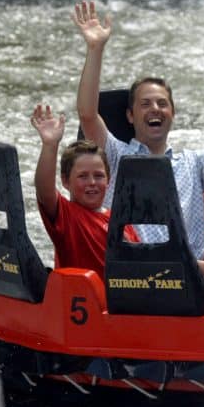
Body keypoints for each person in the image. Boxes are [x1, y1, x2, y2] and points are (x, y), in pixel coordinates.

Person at [70, 0, 204, 306]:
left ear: (172, 113)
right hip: (136, 280)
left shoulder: (193, 164)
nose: (154, 109)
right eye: (145, 104)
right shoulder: (115, 158)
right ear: (130, 116)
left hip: (192, 278)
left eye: (161, 103)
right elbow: (88, 115)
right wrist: (95, 49)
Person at [30, 103, 136, 279]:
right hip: (84, 302)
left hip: (124, 301)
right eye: (83, 176)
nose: (92, 182)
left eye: (99, 175)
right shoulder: (67, 216)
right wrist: (50, 145)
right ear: (65, 181)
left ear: (108, 180)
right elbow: (44, 190)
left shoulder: (122, 221)